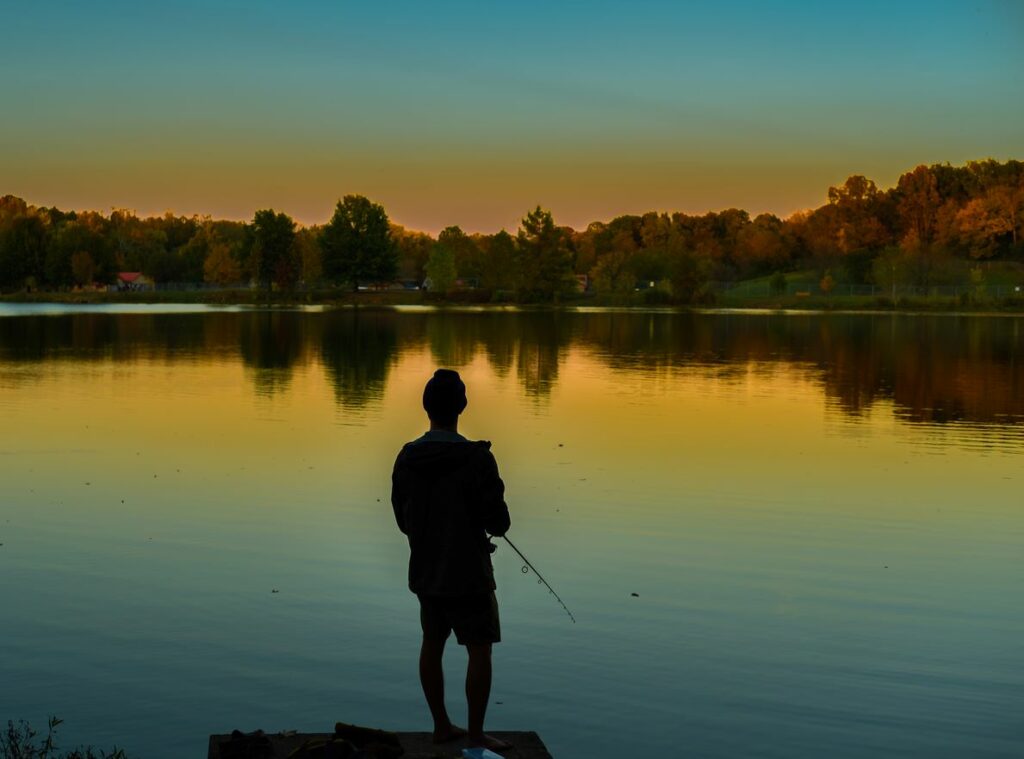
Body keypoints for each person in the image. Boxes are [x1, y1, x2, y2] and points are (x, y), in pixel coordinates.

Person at [391, 369, 512, 754]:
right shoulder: (477, 459)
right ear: (462, 406)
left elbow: (400, 518)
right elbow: (499, 522)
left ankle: (441, 726)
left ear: (426, 407)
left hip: (427, 574)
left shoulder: (407, 458)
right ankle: (475, 735)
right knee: (479, 648)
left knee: (432, 642)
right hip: (470, 576)